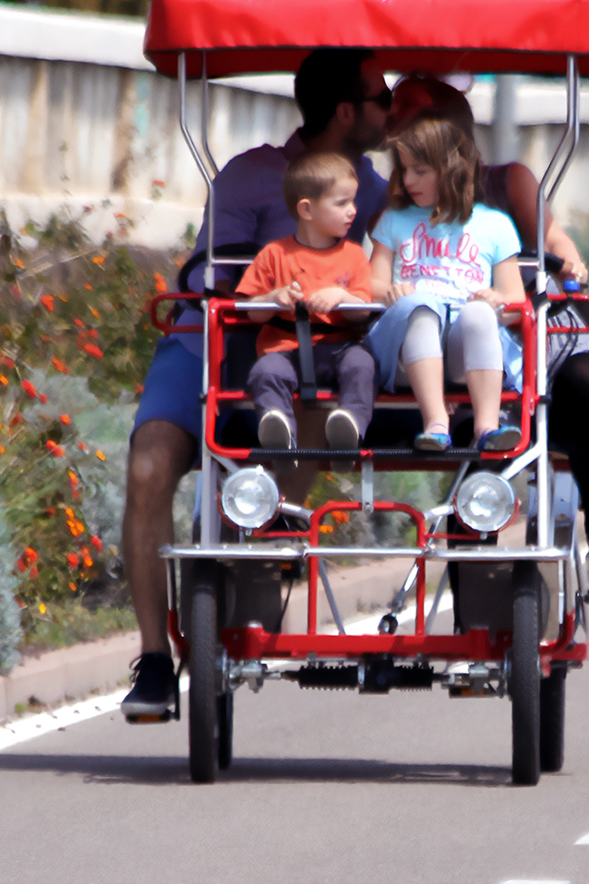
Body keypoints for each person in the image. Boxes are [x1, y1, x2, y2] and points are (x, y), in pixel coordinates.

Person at [120, 49, 390, 717]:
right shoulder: (249, 175)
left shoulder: (375, 191)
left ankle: (263, 539)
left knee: (322, 401)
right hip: (212, 341)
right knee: (148, 466)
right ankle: (153, 659)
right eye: (382, 99)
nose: (391, 111)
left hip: (305, 356)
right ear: (346, 111)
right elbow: (210, 278)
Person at [388, 74, 589, 601]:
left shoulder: (507, 183)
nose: (410, 168)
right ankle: (474, 604)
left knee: (588, 375)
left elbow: (551, 237)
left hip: (524, 316)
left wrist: (569, 260)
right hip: (452, 334)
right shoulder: (396, 205)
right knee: (470, 414)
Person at [365, 113, 526, 452]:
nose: (408, 180)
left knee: (479, 313)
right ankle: (436, 422)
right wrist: (390, 291)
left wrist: (496, 300)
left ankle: (487, 426)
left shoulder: (495, 224)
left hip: (462, 351)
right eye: (404, 169)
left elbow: (515, 301)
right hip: (405, 351)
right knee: (421, 305)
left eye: (420, 171)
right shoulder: (394, 220)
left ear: (452, 169)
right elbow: (369, 285)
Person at [238, 152, 376, 454]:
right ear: (307, 209)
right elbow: (251, 310)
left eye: (353, 201)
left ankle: (350, 426)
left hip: (339, 347)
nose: (353, 211)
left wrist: (342, 297)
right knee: (265, 371)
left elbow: (364, 309)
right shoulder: (274, 254)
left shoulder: (354, 256)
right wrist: (273, 298)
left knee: (362, 364)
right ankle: (278, 429)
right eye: (342, 203)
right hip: (285, 349)